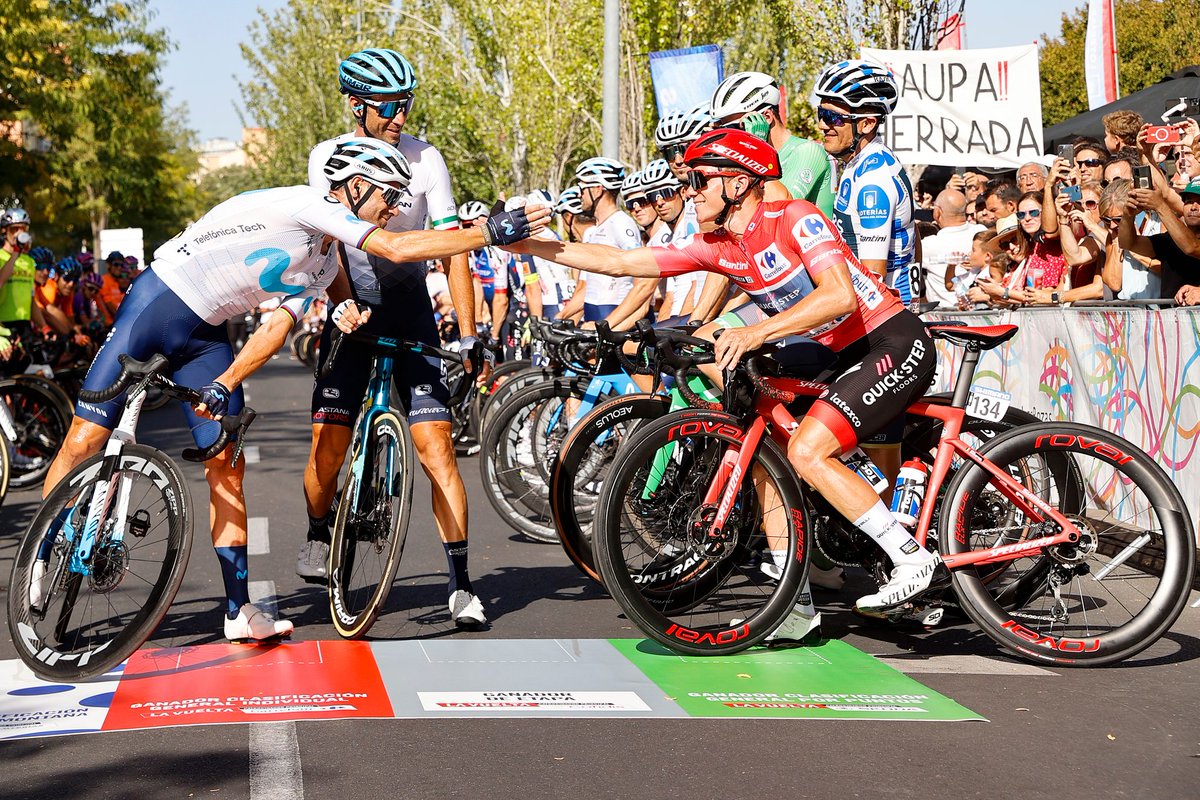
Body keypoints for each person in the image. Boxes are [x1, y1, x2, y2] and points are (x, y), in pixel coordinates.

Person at [36, 137, 544, 641]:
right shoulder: (311, 205)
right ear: (358, 186)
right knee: (84, 440)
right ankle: (39, 558)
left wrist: (225, 382)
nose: (395, 208)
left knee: (226, 463)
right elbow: (395, 248)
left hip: (206, 334)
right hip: (158, 301)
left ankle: (238, 611)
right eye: (390, 196)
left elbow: (277, 325)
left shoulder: (324, 264)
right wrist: (487, 233)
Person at [507, 128, 947, 634]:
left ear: (737, 184)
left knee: (806, 451)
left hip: (887, 340)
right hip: (832, 353)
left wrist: (759, 331)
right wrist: (526, 244)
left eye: (698, 180)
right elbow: (618, 261)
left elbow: (839, 297)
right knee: (766, 451)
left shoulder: (795, 219)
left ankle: (910, 559)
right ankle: (795, 606)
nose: (688, 190)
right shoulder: (722, 246)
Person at [299, 48, 496, 629]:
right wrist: (341, 305)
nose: (401, 117)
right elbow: (331, 240)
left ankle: (461, 585)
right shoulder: (328, 157)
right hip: (351, 302)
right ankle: (317, 528)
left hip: (410, 308)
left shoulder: (427, 160)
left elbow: (454, 246)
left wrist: (467, 333)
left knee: (436, 449)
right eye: (389, 106)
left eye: (406, 105)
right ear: (358, 106)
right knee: (327, 448)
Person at [813, 59, 918, 305]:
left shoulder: (873, 180)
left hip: (878, 316)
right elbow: (916, 234)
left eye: (832, 118)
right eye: (820, 114)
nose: (821, 125)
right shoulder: (862, 163)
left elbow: (873, 279)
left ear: (867, 123)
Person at [710, 71, 834, 215]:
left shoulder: (807, 151)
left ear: (767, 117)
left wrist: (758, 150)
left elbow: (778, 210)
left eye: (735, 127)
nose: (731, 135)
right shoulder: (747, 159)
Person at [552, 157, 640, 325]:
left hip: (613, 314)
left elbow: (642, 281)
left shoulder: (620, 223)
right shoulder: (596, 230)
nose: (579, 194)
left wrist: (611, 325)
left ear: (598, 189)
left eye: (582, 188)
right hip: (594, 312)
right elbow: (587, 287)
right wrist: (561, 317)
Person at [1099, 178, 1162, 301]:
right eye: (1106, 220)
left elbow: (1171, 271)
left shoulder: (1158, 223)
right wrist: (1117, 239)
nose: (1112, 225)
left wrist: (1137, 252)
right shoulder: (1112, 233)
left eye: (1118, 219)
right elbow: (1114, 283)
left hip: (1159, 309)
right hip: (1130, 310)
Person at [921, 189, 984, 309]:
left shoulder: (929, 245)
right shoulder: (982, 232)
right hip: (980, 312)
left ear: (937, 212)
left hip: (945, 317)